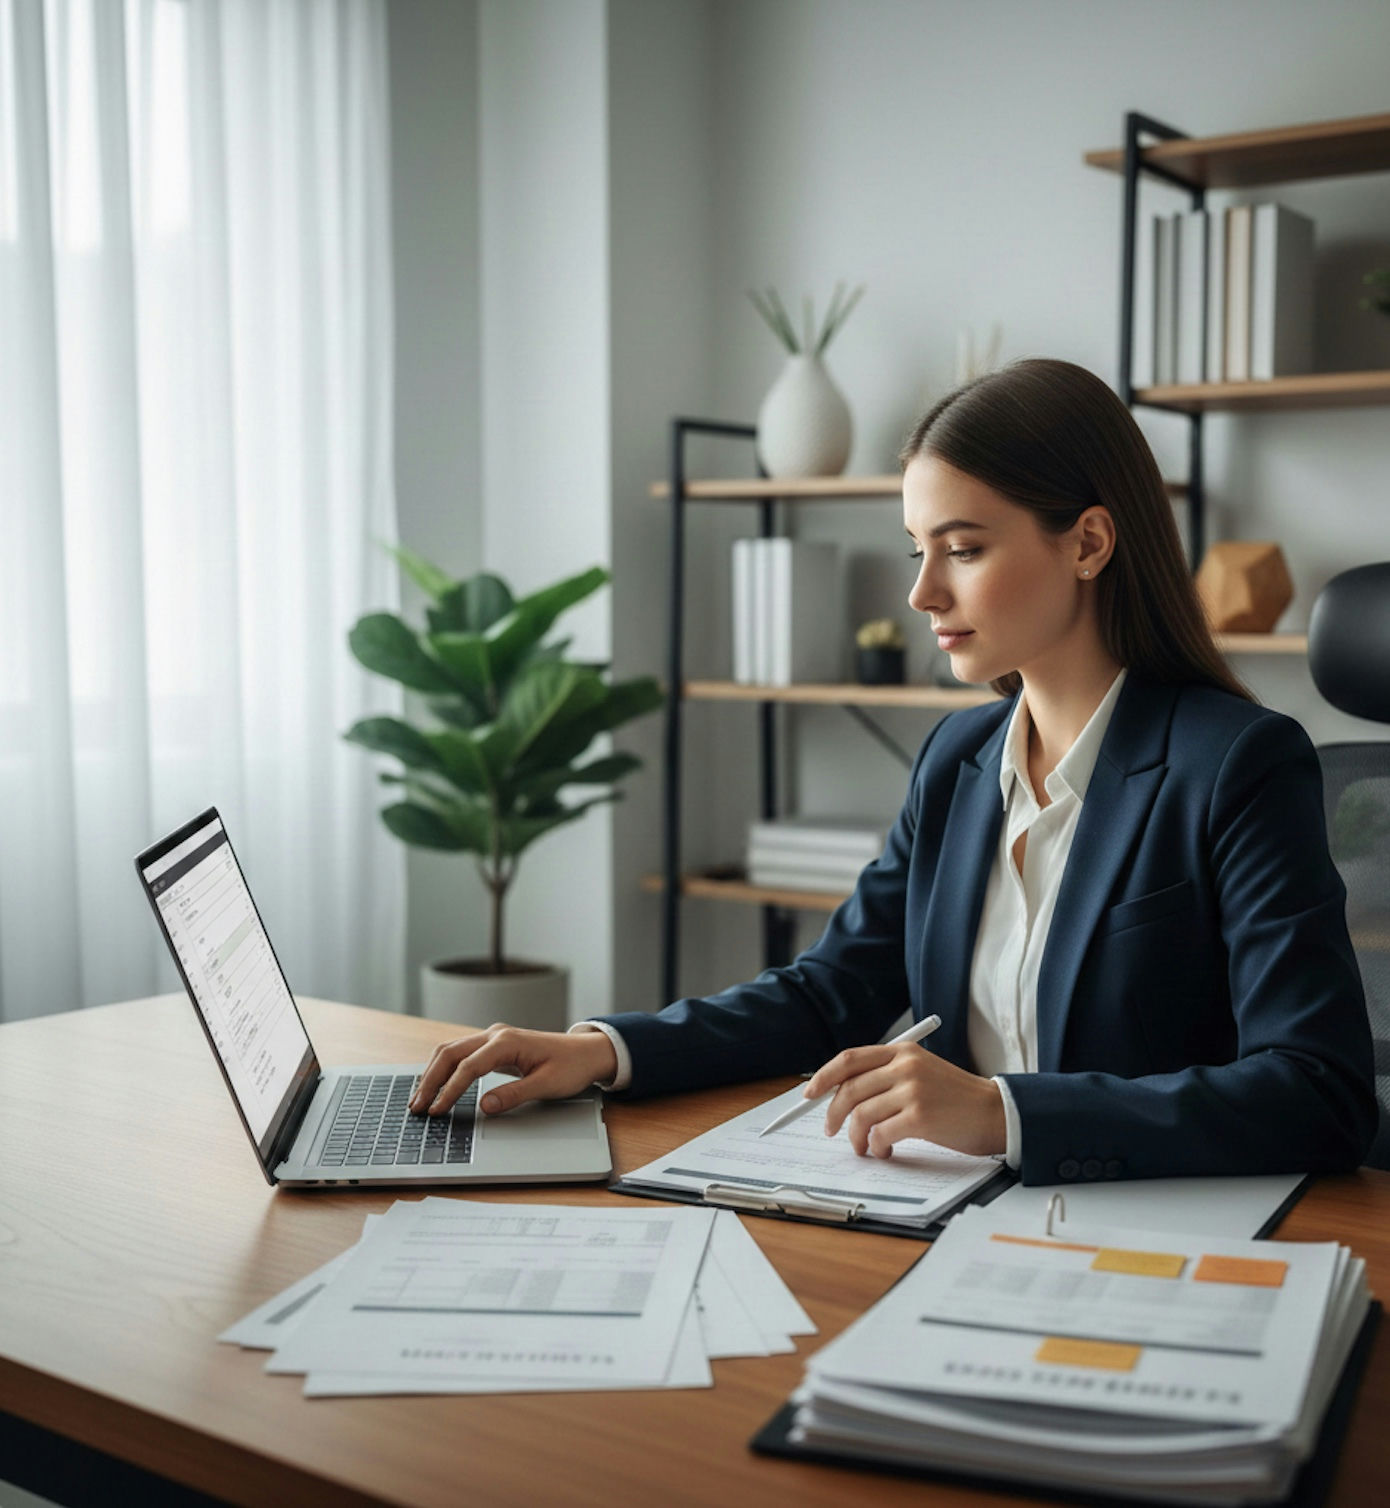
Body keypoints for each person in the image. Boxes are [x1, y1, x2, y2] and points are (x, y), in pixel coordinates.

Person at [409, 358, 1377, 1184]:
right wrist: (603, 1049)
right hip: (943, 1206)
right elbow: (831, 988)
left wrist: (1001, 1112)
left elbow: (1316, 1089)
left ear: (1086, 541)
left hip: (1132, 1220)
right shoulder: (957, 757)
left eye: (962, 548)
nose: (920, 592)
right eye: (918, 550)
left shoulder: (1235, 762)